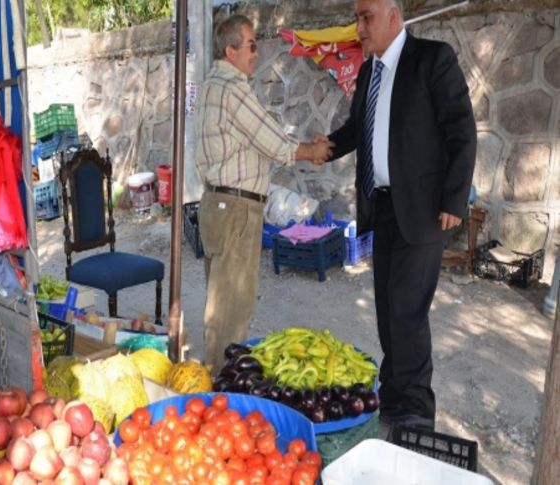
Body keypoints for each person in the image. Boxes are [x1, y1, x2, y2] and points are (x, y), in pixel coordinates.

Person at [321, 0, 476, 429]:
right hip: (382, 206)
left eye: (366, 17)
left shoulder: (432, 58)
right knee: (388, 310)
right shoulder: (370, 71)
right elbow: (357, 129)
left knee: (408, 312)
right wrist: (324, 148)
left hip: (424, 210)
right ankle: (392, 398)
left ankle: (415, 412)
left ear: (393, 16)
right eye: (357, 17)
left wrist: (454, 199)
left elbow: (461, 129)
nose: (359, 27)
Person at [195, 14, 334, 373]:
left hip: (217, 203)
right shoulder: (231, 87)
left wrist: (302, 147)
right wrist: (310, 151)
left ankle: (217, 381)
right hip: (236, 207)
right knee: (231, 308)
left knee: (220, 302)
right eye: (251, 45)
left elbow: (259, 137)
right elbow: (273, 141)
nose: (257, 52)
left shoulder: (212, 84)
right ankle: (222, 391)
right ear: (231, 50)